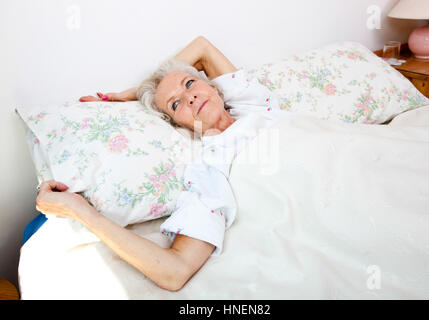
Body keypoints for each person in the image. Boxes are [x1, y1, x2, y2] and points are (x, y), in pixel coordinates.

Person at [36, 36, 288, 291]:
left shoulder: (253, 103)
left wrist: (132, 92)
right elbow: (175, 271)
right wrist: (80, 210)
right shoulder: (211, 168)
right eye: (176, 104)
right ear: (180, 124)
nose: (189, 98)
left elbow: (203, 48)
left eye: (190, 83)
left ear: (214, 87)